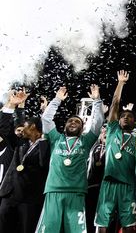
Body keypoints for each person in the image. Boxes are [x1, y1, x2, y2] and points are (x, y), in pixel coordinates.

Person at [36, 85, 104, 233]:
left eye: (77, 122)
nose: (73, 123)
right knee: (47, 230)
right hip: (54, 190)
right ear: (65, 125)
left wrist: (97, 101)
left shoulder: (86, 141)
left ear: (83, 126)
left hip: (77, 193)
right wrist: (57, 100)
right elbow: (46, 119)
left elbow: (98, 123)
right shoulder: (55, 138)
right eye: (70, 121)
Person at [94, 70, 136, 232]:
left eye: (129, 116)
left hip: (128, 185)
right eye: (123, 116)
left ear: (135, 121)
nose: (125, 117)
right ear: (118, 120)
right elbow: (115, 104)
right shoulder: (112, 130)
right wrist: (120, 83)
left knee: (128, 225)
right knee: (103, 224)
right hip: (109, 183)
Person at [0, 95, 50, 233]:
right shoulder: (20, 142)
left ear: (33, 127)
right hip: (9, 194)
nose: (21, 130)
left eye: (25, 127)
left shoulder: (46, 145)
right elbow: (5, 129)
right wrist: (12, 106)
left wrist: (45, 111)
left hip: (30, 198)